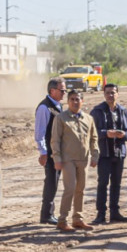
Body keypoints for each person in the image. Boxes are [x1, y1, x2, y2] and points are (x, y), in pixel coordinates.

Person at [51, 90, 99, 233]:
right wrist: (57, 158)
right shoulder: (61, 118)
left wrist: (95, 155)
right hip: (67, 160)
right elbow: (55, 140)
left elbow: (94, 138)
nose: (75, 102)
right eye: (72, 99)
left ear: (82, 101)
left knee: (81, 189)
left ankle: (78, 219)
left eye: (77, 99)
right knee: (70, 188)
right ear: (68, 101)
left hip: (83, 159)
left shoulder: (88, 118)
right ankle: (62, 220)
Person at [90, 83, 127, 225]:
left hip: (119, 153)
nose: (110, 95)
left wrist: (125, 134)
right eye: (108, 93)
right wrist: (106, 133)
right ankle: (101, 214)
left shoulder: (123, 111)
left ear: (118, 94)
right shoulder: (97, 111)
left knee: (117, 184)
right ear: (104, 94)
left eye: (113, 92)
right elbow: (91, 131)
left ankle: (115, 213)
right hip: (104, 153)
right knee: (102, 183)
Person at [35, 77, 67, 224]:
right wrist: (43, 152)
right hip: (50, 153)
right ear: (52, 90)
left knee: (54, 182)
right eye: (62, 90)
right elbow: (40, 133)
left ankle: (49, 213)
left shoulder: (57, 106)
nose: (64, 93)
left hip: (57, 151)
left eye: (65, 90)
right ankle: (46, 215)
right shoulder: (44, 108)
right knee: (51, 182)